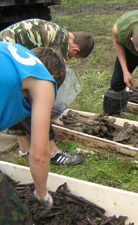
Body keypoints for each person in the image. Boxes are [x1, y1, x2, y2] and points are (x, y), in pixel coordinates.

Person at [0, 18, 95, 166]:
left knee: (20, 98)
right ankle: (51, 152)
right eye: (75, 56)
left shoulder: (61, 33)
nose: (71, 58)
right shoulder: (60, 44)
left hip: (6, 51)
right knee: (33, 101)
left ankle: (25, 148)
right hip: (9, 52)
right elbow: (47, 80)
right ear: (76, 49)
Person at [0, 41, 67, 209]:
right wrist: (42, 194)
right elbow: (39, 155)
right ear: (54, 79)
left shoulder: (14, 51)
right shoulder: (44, 81)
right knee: (13, 214)